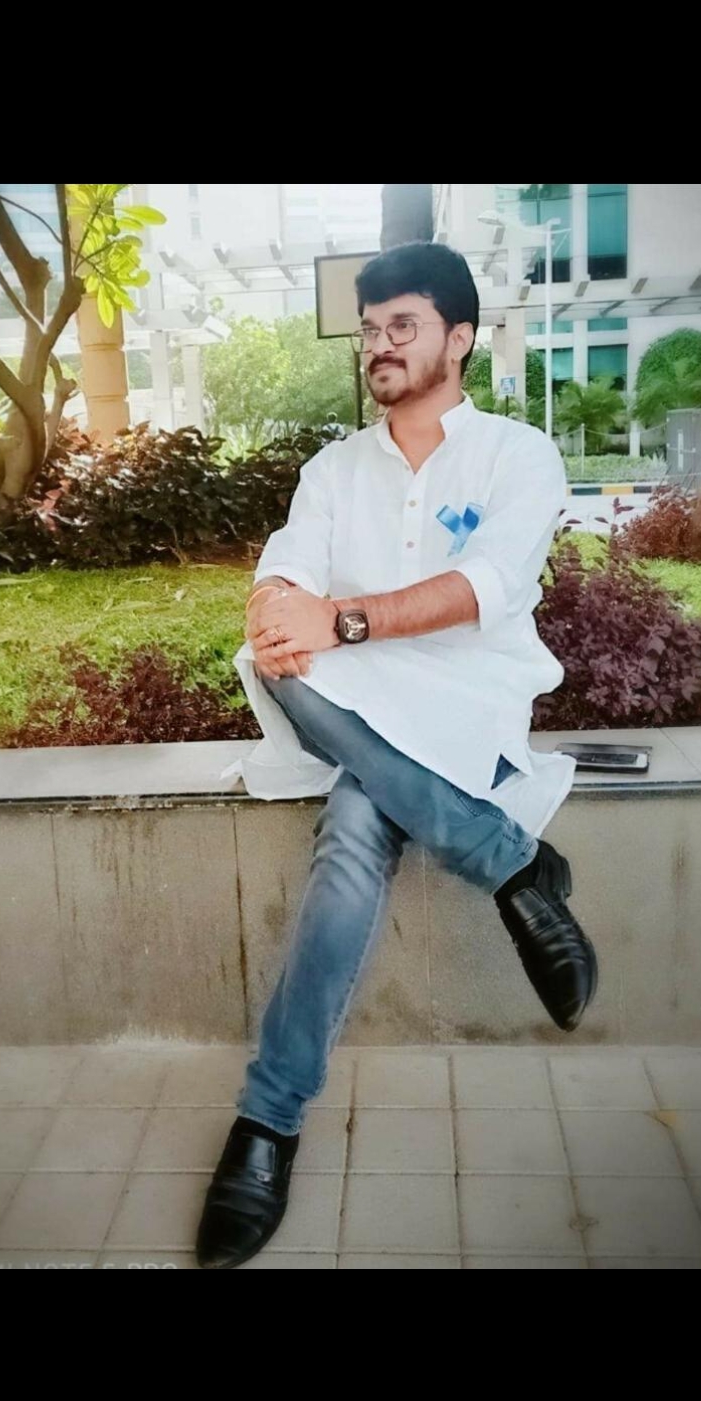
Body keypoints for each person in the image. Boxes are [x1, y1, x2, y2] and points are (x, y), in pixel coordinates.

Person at [197, 242, 597, 1270]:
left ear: (459, 340)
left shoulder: (516, 455)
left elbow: (485, 589)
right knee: (276, 661)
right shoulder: (334, 471)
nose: (378, 344)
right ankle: (509, 865)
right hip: (361, 710)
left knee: (352, 833)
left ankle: (266, 1122)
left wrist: (342, 623)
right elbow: (284, 575)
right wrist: (279, 608)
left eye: (402, 326)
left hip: (469, 708)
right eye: (370, 328)